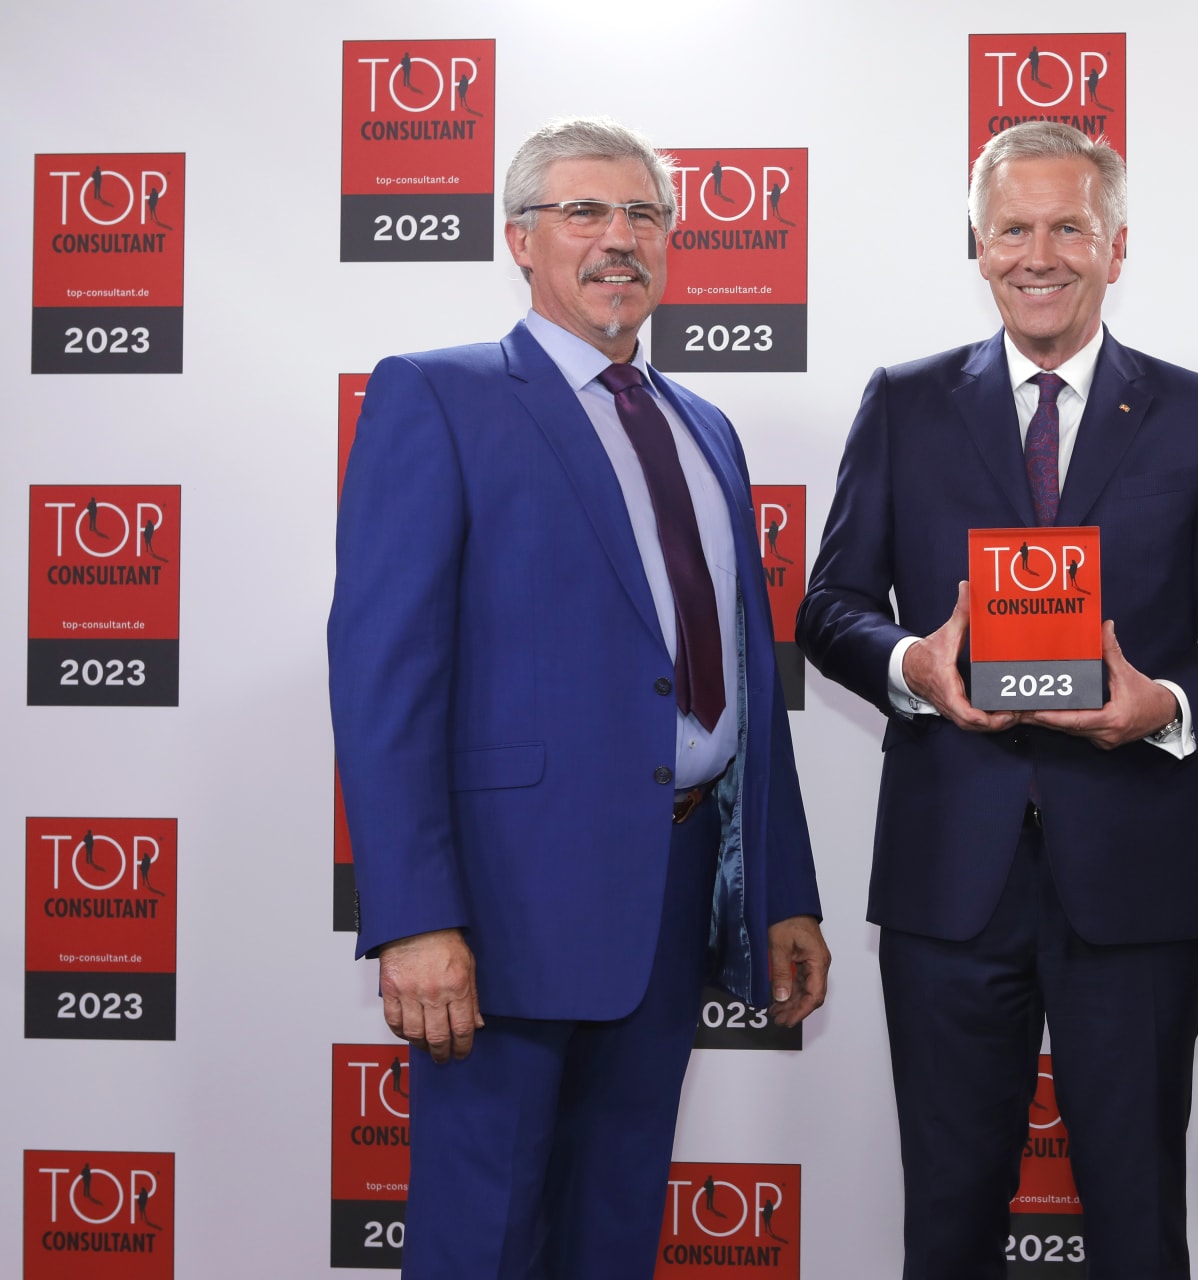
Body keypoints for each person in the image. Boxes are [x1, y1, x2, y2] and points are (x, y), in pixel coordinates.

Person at [330, 115, 828, 1280]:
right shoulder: (436, 397)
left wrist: (780, 891)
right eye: (585, 213)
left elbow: (747, 683)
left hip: (672, 887)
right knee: (482, 1235)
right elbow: (385, 677)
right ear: (519, 238)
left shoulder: (706, 427)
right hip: (500, 910)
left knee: (614, 1232)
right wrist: (413, 917)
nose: (619, 239)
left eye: (643, 215)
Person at [798, 120, 1198, 1279]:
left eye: (1070, 225)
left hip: (1136, 876)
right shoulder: (904, 403)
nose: (1041, 252)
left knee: (1138, 1218)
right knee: (948, 1217)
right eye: (1014, 227)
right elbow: (830, 604)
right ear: (975, 244)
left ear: (1117, 247)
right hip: (948, 876)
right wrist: (913, 663)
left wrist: (1163, 702)